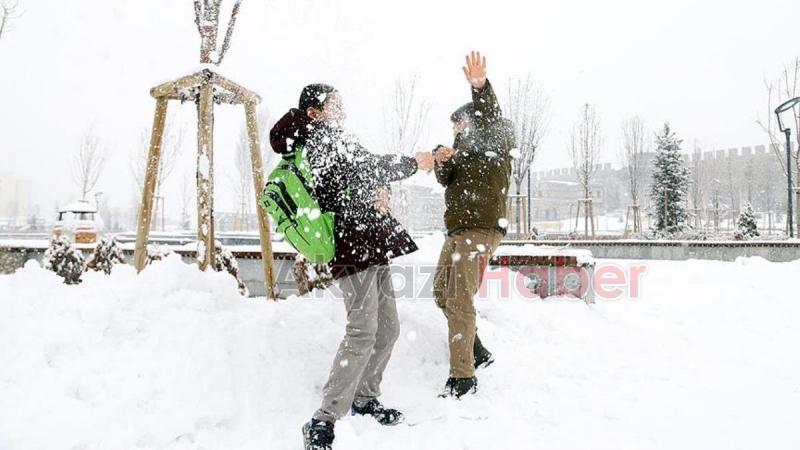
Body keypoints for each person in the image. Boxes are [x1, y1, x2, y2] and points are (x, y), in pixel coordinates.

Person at [270, 84, 435, 450]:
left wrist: (381, 192)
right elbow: (366, 167)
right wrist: (413, 163)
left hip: (371, 241)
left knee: (388, 328)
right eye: (335, 104)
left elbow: (363, 175)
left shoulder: (336, 137)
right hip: (351, 246)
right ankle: (322, 419)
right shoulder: (315, 138)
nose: (342, 109)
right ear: (315, 111)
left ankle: (364, 398)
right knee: (362, 331)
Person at [431, 51, 515, 398]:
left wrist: (479, 87)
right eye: (453, 128)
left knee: (458, 297)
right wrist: (440, 157)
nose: (456, 131)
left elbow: (490, 116)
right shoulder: (462, 152)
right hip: (458, 232)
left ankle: (463, 377)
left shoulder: (496, 138)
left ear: (473, 120)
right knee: (441, 293)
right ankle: (476, 349)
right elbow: (445, 178)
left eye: (460, 125)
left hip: (481, 230)